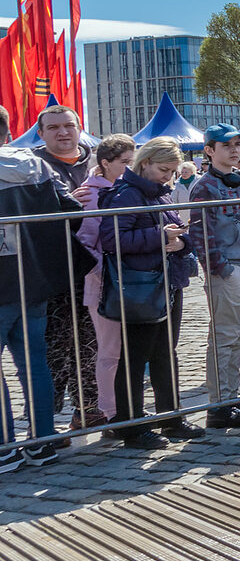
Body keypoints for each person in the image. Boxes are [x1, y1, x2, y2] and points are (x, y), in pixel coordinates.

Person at [98, 138, 203, 449]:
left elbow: (178, 235)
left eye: (171, 171)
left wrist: (180, 242)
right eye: (163, 169)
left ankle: (169, 417)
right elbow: (112, 239)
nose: (168, 176)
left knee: (164, 352)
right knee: (136, 356)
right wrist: (160, 236)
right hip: (141, 285)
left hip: (163, 281)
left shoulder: (156, 193)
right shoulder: (128, 193)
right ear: (144, 163)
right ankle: (131, 426)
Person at [0, 112, 85, 469]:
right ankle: (42, 442)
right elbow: (74, 211)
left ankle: (4, 448)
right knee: (34, 363)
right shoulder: (34, 164)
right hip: (31, 279)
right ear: (7, 132)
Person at [186, 125, 240, 427]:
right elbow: (201, 234)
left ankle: (230, 396)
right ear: (209, 150)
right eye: (226, 145)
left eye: (236, 145)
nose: (234, 150)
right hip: (230, 270)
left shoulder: (239, 183)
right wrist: (222, 269)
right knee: (225, 336)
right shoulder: (204, 187)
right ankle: (219, 405)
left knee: (238, 334)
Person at [29, 104, 101, 428]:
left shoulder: (99, 160)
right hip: (50, 273)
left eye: (68, 126)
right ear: (41, 133)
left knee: (91, 344)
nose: (63, 133)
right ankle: (43, 422)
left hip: (96, 268)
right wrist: (68, 201)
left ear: (78, 127)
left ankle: (87, 409)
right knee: (54, 349)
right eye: (54, 127)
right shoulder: (30, 167)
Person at [76, 134, 136, 426]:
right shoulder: (90, 193)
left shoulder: (128, 189)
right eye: (125, 162)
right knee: (109, 349)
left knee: (129, 348)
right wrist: (106, 266)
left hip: (130, 279)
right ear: (105, 163)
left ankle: (129, 406)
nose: (131, 167)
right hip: (103, 281)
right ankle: (110, 412)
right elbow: (85, 242)